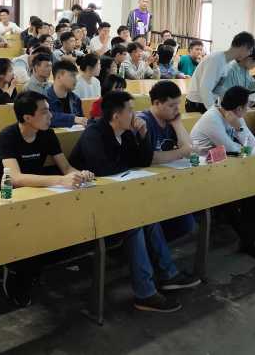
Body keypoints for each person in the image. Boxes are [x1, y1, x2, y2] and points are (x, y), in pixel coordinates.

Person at [70, 90, 185, 312]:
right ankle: (145, 293)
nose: (135, 114)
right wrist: (128, 162)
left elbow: (143, 160)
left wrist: (143, 135)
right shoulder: (94, 134)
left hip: (116, 195)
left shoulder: (127, 132)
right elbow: (104, 169)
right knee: (134, 224)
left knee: (149, 217)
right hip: (87, 201)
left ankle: (168, 275)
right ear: (116, 116)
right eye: (130, 110)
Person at [0, 91, 95, 306]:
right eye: (44, 112)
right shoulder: (8, 136)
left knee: (67, 230)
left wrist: (80, 175)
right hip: (8, 198)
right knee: (30, 233)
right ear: (27, 117)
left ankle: (33, 268)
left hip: (39, 193)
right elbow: (15, 178)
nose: (51, 116)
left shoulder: (47, 134)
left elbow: (66, 168)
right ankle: (16, 272)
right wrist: (60, 181)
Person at [190, 86, 255, 264]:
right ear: (239, 108)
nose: (247, 110)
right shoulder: (212, 119)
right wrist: (240, 139)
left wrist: (239, 127)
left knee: (253, 191)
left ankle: (250, 240)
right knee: (229, 199)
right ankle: (251, 241)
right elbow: (234, 148)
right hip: (202, 172)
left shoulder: (234, 115)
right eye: (247, 106)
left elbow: (251, 144)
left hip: (225, 168)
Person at [136, 81, 201, 288]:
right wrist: (180, 152)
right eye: (172, 105)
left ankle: (151, 252)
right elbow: (150, 158)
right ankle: (165, 271)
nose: (176, 109)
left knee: (187, 223)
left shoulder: (170, 121)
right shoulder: (143, 122)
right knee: (152, 221)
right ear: (156, 103)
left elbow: (189, 148)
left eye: (178, 104)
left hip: (166, 186)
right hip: (143, 189)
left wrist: (178, 124)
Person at [185, 32, 255, 113]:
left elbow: (218, 88)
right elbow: (205, 90)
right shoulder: (216, 59)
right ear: (243, 47)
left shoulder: (227, 63)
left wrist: (242, 100)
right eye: (250, 50)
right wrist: (215, 112)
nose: (249, 54)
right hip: (197, 104)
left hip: (207, 102)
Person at [45, 60, 86, 128]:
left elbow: (82, 122)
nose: (76, 80)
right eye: (72, 75)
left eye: (76, 76)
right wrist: (73, 118)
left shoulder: (75, 99)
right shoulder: (43, 98)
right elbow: (47, 118)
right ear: (59, 77)